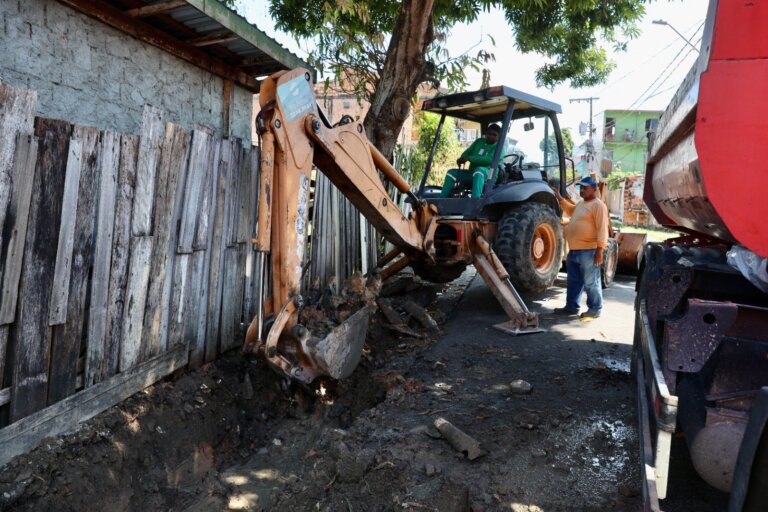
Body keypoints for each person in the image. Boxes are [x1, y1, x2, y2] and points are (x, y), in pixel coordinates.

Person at [551, 176, 609, 319]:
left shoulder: (598, 205)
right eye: (581, 188)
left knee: (591, 283)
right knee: (573, 281)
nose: (582, 190)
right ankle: (571, 307)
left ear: (594, 189)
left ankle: (595, 309)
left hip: (589, 251)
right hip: (575, 250)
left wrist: (600, 250)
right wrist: (560, 198)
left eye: (585, 188)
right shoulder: (581, 204)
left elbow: (602, 229)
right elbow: (571, 211)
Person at [440, 124, 500, 198]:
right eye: (489, 133)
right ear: (486, 133)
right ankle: (442, 201)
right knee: (451, 173)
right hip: (472, 173)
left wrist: (470, 158)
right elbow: (467, 152)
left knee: (479, 170)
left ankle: (474, 202)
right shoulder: (479, 142)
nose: (491, 136)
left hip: (489, 175)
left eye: (494, 135)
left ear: (499, 136)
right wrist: (462, 158)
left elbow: (489, 160)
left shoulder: (499, 147)